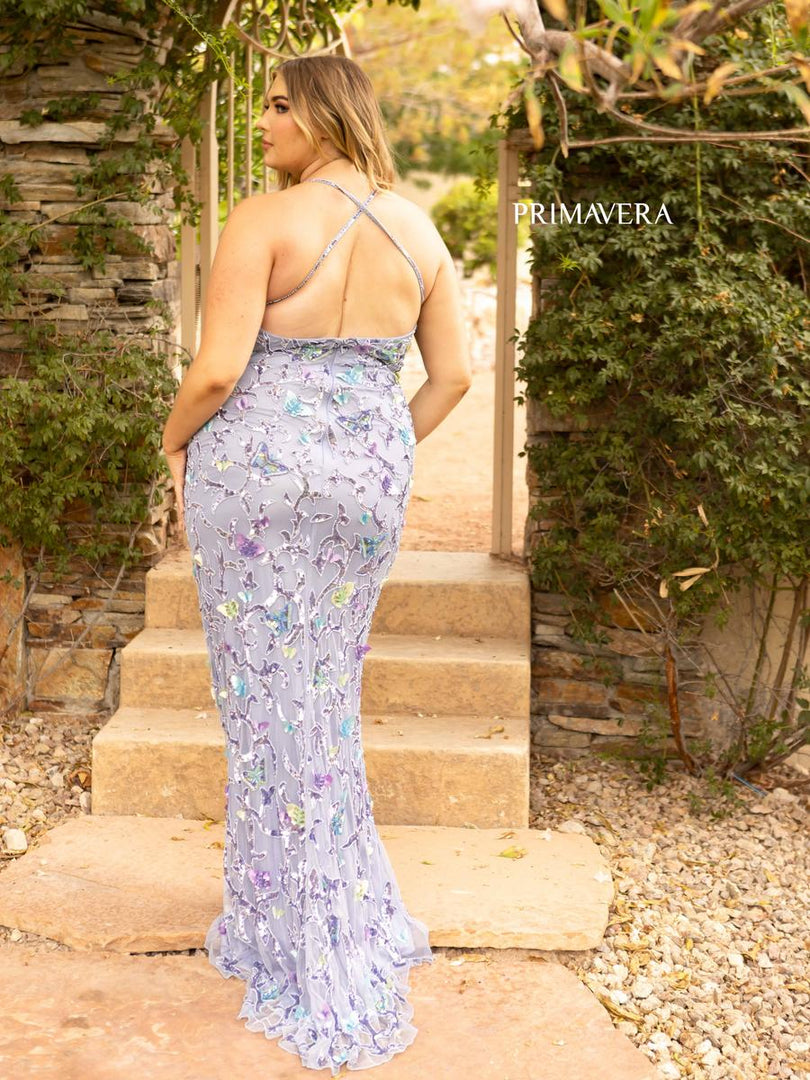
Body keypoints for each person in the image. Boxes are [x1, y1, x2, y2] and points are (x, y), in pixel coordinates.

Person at [161, 54, 471, 1074]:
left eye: (279, 105)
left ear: (326, 115)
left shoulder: (266, 218)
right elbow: (455, 376)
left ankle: (296, 934)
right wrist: (373, 449)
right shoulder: (420, 231)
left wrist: (170, 442)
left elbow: (217, 370)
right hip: (364, 487)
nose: (263, 123)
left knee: (266, 702)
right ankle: (328, 907)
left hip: (253, 483)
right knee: (322, 696)